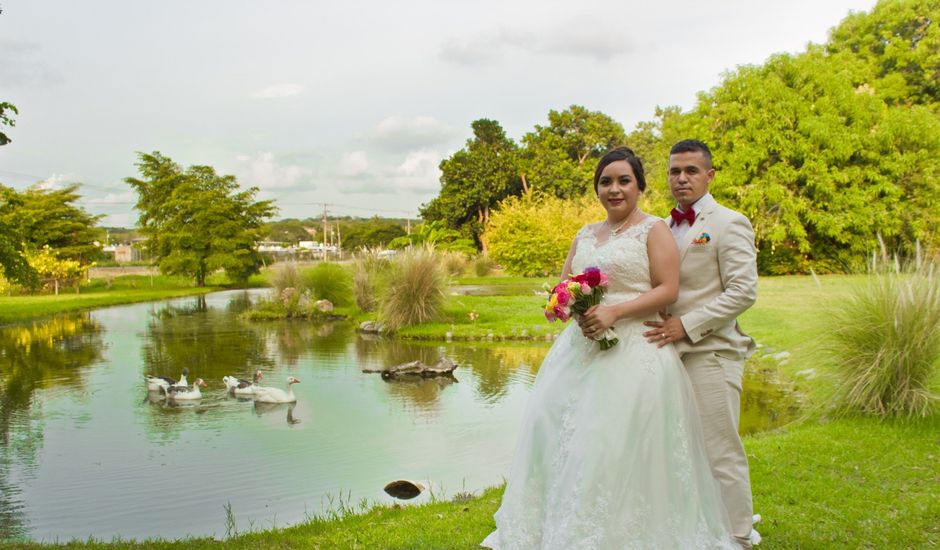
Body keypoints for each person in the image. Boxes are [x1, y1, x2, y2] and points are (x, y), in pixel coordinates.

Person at [482, 147, 736, 549]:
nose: (614, 189)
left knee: (612, 443)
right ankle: (560, 527)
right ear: (597, 187)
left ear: (639, 186)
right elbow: (563, 285)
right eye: (605, 181)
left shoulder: (655, 230)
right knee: (559, 433)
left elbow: (668, 289)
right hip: (578, 352)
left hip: (635, 350)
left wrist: (615, 312)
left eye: (623, 181)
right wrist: (568, 305)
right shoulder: (585, 233)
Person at [642, 139, 759, 548]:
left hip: (711, 352)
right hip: (663, 356)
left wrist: (686, 326)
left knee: (719, 449)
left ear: (709, 175)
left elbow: (743, 291)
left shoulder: (729, 222)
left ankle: (738, 537)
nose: (681, 178)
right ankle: (698, 530)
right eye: (675, 171)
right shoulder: (660, 226)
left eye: (691, 171)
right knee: (677, 450)